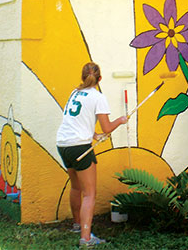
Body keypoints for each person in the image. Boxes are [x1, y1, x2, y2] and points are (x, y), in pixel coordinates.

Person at [56, 62, 127, 247]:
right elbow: (107, 127)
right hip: (80, 147)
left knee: (76, 187)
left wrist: (93, 135)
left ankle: (77, 225)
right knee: (89, 194)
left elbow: (75, 120)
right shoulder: (97, 96)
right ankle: (86, 239)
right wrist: (120, 120)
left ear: (82, 77)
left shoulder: (75, 92)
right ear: (100, 79)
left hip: (63, 144)